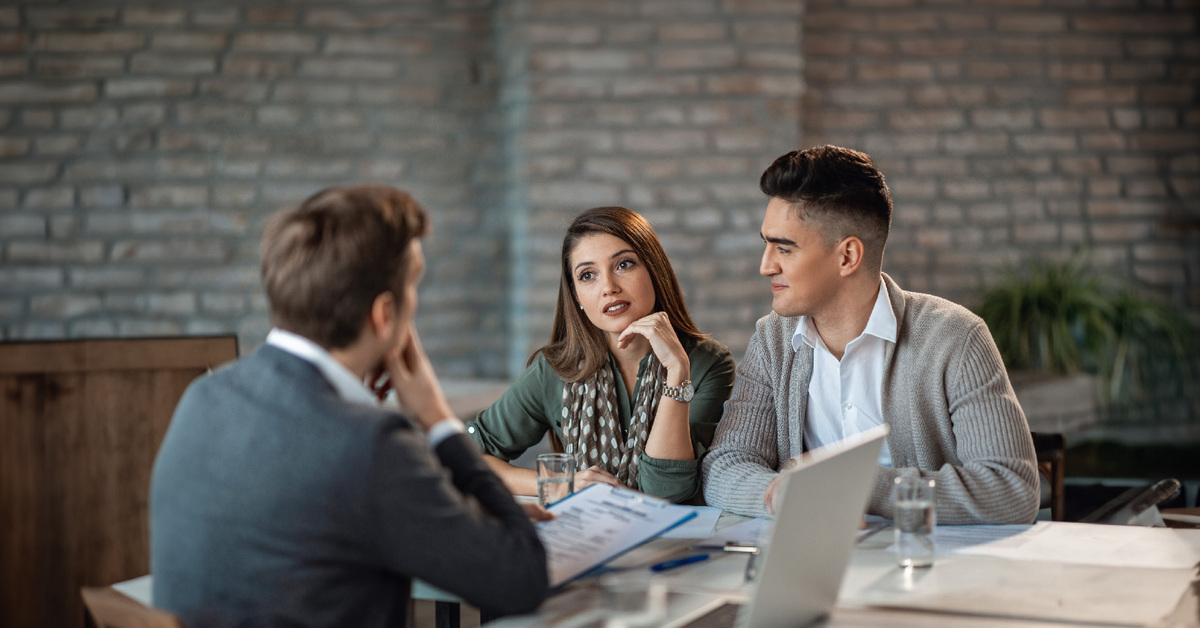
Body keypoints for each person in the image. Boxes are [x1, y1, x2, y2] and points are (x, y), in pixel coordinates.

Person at [150, 185, 549, 627]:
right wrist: (438, 418)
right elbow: (523, 580)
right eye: (414, 288)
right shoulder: (369, 446)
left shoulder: (204, 396)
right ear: (383, 316)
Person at [701, 146, 1039, 525]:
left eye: (784, 248)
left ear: (847, 256)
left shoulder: (956, 338)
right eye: (767, 243)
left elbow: (1012, 489)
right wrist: (779, 495)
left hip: (928, 568)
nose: (766, 265)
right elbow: (725, 465)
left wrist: (858, 487)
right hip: (810, 568)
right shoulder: (772, 341)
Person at [467, 206, 736, 504]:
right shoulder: (556, 369)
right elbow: (469, 456)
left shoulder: (707, 363)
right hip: (588, 538)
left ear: (654, 270)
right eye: (588, 275)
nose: (609, 287)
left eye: (624, 265)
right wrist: (563, 483)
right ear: (577, 296)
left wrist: (676, 370)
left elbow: (665, 491)